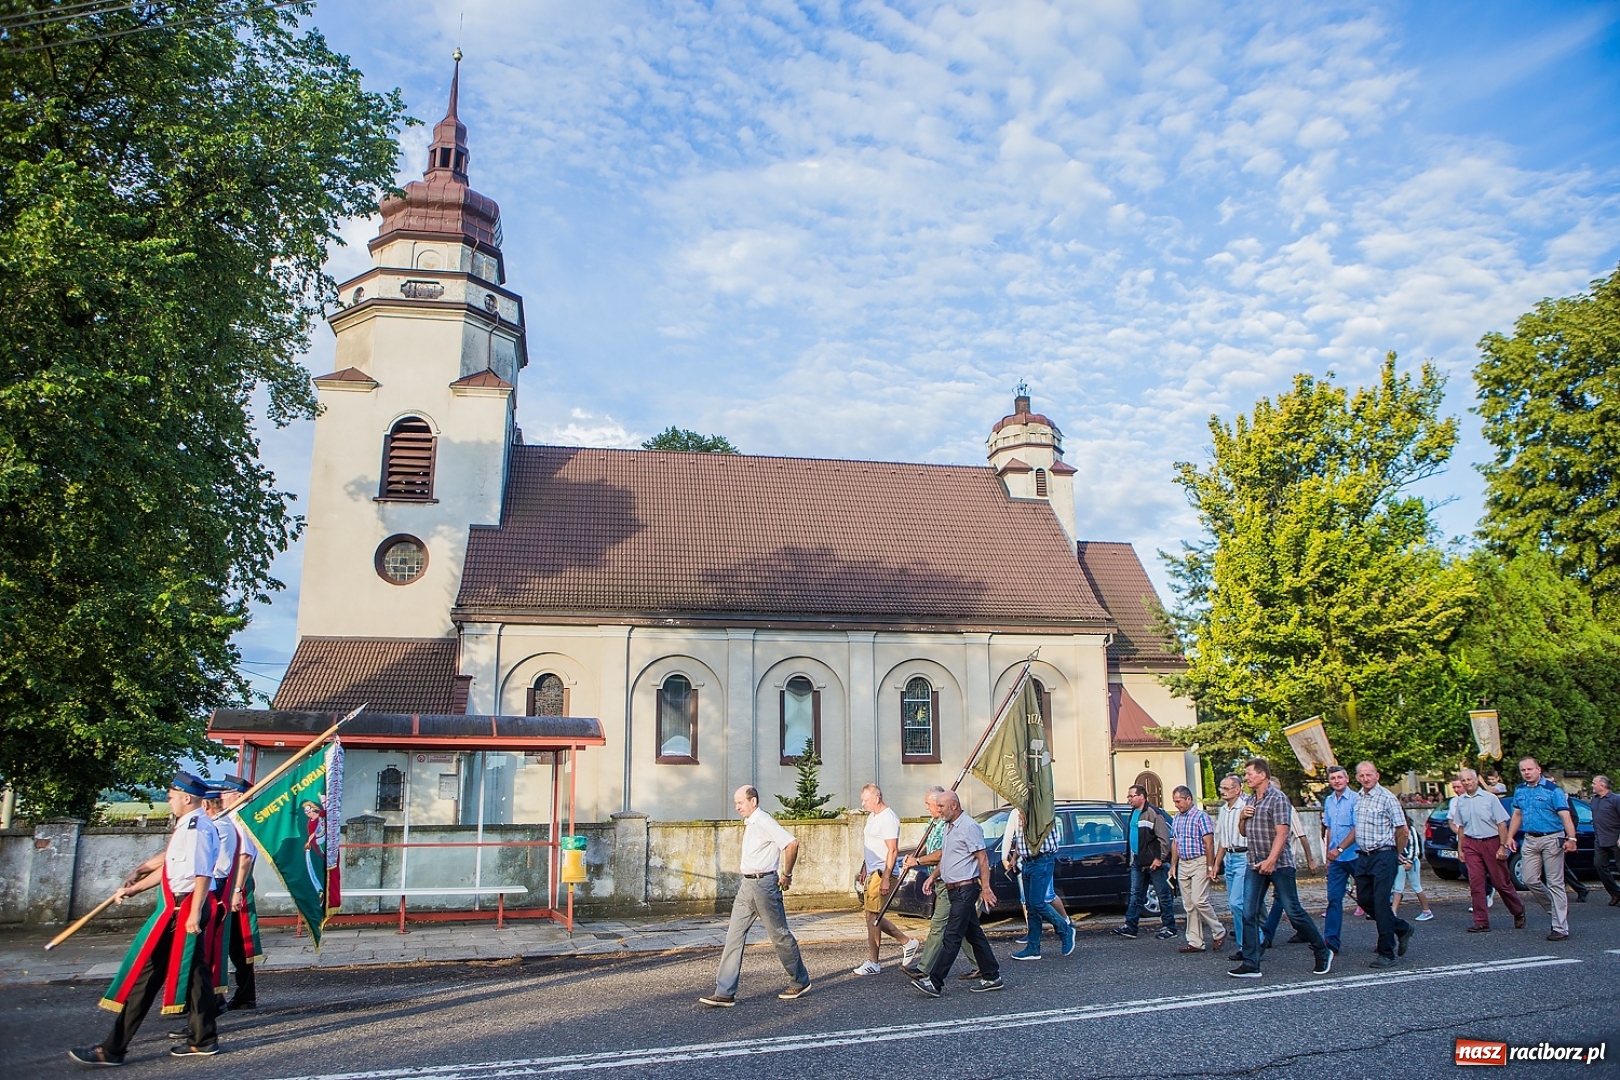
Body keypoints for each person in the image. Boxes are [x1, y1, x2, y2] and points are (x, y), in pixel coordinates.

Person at [70, 772, 221, 1065]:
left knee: (150, 972)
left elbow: (201, 872)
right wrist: (134, 888)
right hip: (180, 906)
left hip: (184, 908)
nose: (169, 801)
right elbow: (170, 869)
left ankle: (113, 1048)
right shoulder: (188, 825)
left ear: (186, 798)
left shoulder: (196, 828)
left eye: (171, 797)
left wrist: (193, 913)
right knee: (194, 975)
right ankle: (203, 1039)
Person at [700, 786, 811, 1006]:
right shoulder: (751, 823)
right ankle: (725, 992)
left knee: (779, 934)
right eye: (736, 802)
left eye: (740, 802)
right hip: (747, 885)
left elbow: (792, 844)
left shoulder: (763, 821)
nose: (737, 807)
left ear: (753, 801)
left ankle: (800, 980)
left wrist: (787, 875)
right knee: (734, 935)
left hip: (765, 885)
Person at [1229, 758, 1332, 979]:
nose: (1246, 778)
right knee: (1248, 913)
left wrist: (1271, 860)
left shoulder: (1278, 798)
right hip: (1255, 862)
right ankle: (1251, 963)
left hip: (1280, 864)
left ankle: (1322, 950)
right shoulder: (1250, 799)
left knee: (1293, 911)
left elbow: (1283, 833)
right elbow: (1244, 833)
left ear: (1262, 775)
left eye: (1249, 774)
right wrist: (1241, 818)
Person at [910, 791, 1002, 997]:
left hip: (965, 889)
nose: (938, 810)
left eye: (941, 806)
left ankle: (935, 982)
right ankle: (992, 976)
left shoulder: (969, 827)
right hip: (953, 888)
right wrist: (933, 876)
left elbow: (982, 858)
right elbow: (947, 857)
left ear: (954, 805)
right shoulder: (949, 827)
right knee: (974, 935)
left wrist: (986, 888)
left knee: (952, 935)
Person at [1506, 756, 1577, 941]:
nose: (1527, 773)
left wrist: (1571, 838)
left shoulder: (1552, 790)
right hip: (1530, 838)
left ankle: (1560, 927)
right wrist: (1509, 836)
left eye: (1530, 769)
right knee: (1529, 879)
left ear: (1538, 769)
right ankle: (1556, 910)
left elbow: (1565, 816)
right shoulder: (1520, 790)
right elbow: (1517, 814)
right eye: (1523, 770)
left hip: (1552, 837)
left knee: (1555, 882)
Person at [1351, 761, 1414, 968]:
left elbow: (1402, 830)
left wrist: (1396, 853)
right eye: (1361, 775)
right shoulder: (1359, 797)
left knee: (1381, 903)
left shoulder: (1387, 798)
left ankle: (1386, 952)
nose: (1365, 778)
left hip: (1383, 854)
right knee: (1364, 900)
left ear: (1377, 776)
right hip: (1364, 856)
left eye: (1369, 774)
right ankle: (1401, 927)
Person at [852, 784, 918, 974]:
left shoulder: (888, 818)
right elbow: (871, 844)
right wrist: (865, 866)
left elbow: (893, 850)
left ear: (877, 798)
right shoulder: (873, 817)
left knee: (872, 916)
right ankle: (907, 942)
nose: (863, 804)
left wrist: (886, 878)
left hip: (883, 873)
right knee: (872, 916)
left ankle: (874, 962)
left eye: (865, 800)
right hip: (872, 872)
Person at [1451, 768, 1525, 932]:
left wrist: (1502, 847)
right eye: (1463, 781)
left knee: (1500, 882)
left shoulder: (1489, 798)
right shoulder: (1461, 801)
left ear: (1476, 780)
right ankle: (1481, 921)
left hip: (1491, 841)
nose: (1467, 783)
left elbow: (1501, 824)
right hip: (1471, 843)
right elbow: (1461, 827)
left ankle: (1518, 910)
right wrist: (1460, 849)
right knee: (1476, 883)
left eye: (1469, 779)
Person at [214, 775, 262, 1009]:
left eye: (226, 793)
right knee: (232, 941)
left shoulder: (241, 819)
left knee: (234, 940)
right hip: (230, 884)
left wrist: (236, 889)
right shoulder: (229, 817)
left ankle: (242, 994)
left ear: (239, 795)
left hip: (234, 884)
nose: (222, 796)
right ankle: (241, 994)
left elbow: (244, 857)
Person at [1005, 807, 1075, 961]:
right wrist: (1014, 858)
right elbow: (1021, 839)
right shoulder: (1021, 812)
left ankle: (1065, 929)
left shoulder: (1042, 811)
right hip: (1027, 862)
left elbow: (1043, 836)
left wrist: (1029, 820)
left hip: (1041, 860)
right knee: (1031, 906)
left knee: (1038, 903)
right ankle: (1033, 949)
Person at [1113, 784, 1176, 940]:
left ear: (1141, 796)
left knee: (1163, 895)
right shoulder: (1133, 812)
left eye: (1131, 796)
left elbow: (1164, 838)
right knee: (1136, 894)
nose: (1129, 799)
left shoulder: (1154, 813)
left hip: (1154, 862)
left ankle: (1170, 927)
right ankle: (1131, 926)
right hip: (1137, 860)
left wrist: (1159, 858)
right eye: (1128, 796)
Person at [900, 787, 949, 978]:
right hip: (939, 881)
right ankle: (984, 967)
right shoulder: (933, 823)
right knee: (964, 927)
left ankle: (924, 968)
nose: (926, 807)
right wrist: (913, 856)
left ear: (938, 804)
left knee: (938, 924)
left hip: (948, 881)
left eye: (928, 804)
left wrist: (918, 862)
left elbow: (942, 854)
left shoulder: (947, 824)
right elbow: (929, 846)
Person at [1169, 786, 1223, 954]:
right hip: (1183, 863)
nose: (1177, 805)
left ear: (1188, 799)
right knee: (1189, 905)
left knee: (1199, 900)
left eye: (1179, 801)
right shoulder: (1176, 818)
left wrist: (1210, 866)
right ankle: (1195, 941)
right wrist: (1173, 865)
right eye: (1175, 802)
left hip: (1199, 861)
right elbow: (1175, 842)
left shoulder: (1201, 817)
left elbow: (1209, 843)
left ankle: (1218, 930)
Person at [1319, 764, 1359, 954]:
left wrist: (1340, 849)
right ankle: (1331, 941)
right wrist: (1329, 855)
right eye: (1333, 778)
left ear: (1347, 779)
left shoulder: (1356, 799)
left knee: (1368, 900)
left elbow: (1357, 829)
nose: (1336, 781)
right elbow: (1330, 829)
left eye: (1339, 777)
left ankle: (1392, 932)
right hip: (1336, 859)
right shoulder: (1329, 801)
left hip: (1355, 856)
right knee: (1334, 898)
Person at [1211, 774, 1249, 960]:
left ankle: (1252, 940)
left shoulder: (1245, 807)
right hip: (1230, 858)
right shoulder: (1223, 810)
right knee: (1235, 905)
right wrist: (1216, 864)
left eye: (1227, 788)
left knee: (1237, 902)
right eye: (1221, 788)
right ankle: (1246, 944)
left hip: (1244, 856)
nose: (1223, 792)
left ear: (1238, 789)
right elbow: (1222, 841)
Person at [1390, 811, 1433, 921]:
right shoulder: (1393, 828)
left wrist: (1409, 861)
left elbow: (1414, 846)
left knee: (1416, 886)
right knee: (1398, 888)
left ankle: (1426, 910)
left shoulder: (1410, 829)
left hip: (1411, 861)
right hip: (1400, 862)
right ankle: (1393, 913)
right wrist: (1397, 856)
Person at [1591, 775, 1620, 906]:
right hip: (1600, 840)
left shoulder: (1616, 799)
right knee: (1599, 865)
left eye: (1594, 783)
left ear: (1602, 785)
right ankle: (1615, 893)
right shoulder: (1595, 800)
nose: (1592, 785)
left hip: (1615, 839)